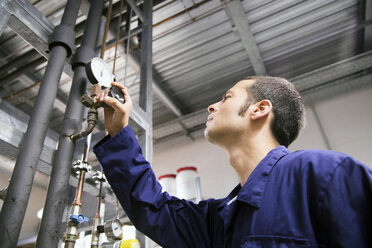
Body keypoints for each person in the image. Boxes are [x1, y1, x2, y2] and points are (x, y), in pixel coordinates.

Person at [93, 77, 372, 248]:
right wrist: (119, 133)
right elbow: (154, 209)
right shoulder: (222, 218)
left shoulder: (323, 174)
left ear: (260, 109)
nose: (212, 106)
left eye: (226, 98)